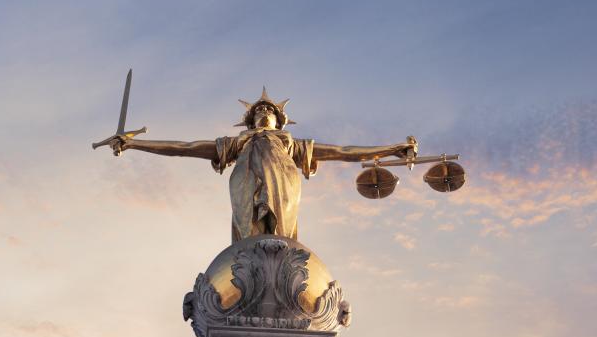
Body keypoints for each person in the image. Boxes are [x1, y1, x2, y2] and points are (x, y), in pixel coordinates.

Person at [111, 88, 416, 242]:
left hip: (284, 183)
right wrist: (135, 143)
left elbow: (342, 151)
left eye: (269, 109)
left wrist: (391, 149)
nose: (265, 110)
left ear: (279, 119)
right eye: (259, 109)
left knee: (280, 241)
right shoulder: (237, 143)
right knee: (250, 239)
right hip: (244, 182)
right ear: (249, 118)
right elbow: (185, 148)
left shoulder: (288, 143)